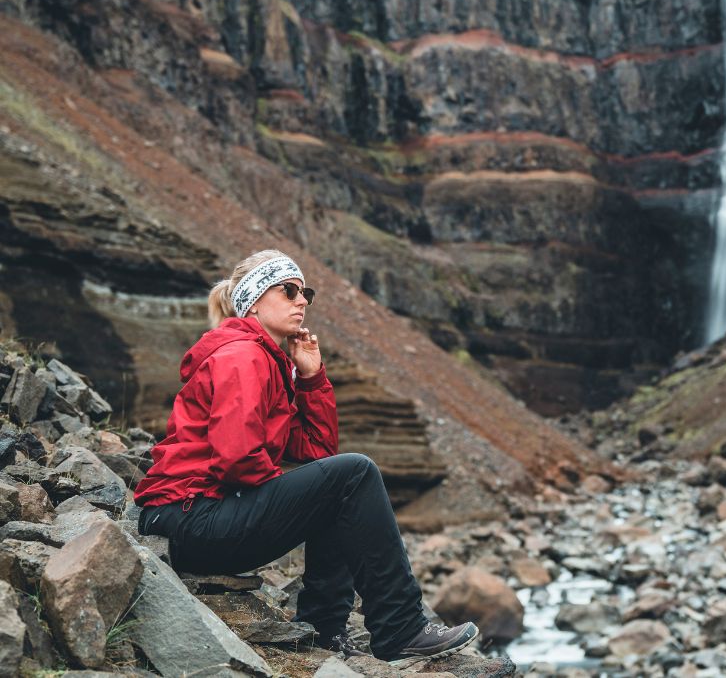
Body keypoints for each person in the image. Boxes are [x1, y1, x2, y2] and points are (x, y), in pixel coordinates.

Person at [134, 250, 478, 662]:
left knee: (339, 486)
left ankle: (324, 629)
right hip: (188, 520)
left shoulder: (270, 361)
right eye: (289, 290)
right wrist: (286, 496)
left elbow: (316, 452)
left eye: (306, 293)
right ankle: (401, 626)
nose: (302, 301)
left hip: (202, 516)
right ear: (255, 300)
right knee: (354, 473)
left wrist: (312, 378)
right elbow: (237, 460)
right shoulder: (243, 356)